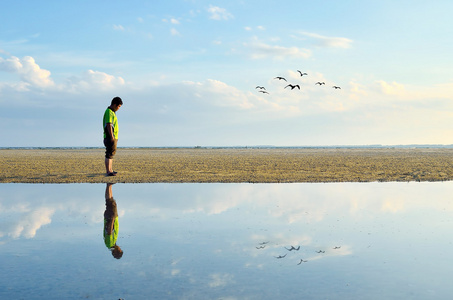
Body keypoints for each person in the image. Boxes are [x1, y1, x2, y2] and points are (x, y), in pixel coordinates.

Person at [103, 97, 123, 176]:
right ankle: (108, 171)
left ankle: (110, 169)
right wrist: (111, 137)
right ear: (115, 105)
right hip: (109, 137)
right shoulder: (109, 112)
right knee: (109, 153)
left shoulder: (112, 112)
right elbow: (109, 124)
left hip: (113, 137)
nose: (119, 108)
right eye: (119, 106)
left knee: (111, 153)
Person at [103, 183, 123, 259]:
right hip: (111, 218)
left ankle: (108, 186)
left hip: (110, 218)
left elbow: (109, 231)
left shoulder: (110, 244)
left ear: (116, 251)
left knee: (109, 202)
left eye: (119, 249)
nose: (119, 247)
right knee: (112, 203)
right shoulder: (112, 244)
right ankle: (109, 186)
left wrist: (112, 219)